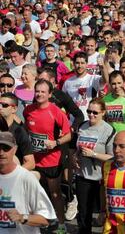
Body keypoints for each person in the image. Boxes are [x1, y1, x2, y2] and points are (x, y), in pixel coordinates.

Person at [23, 79, 72, 232]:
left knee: (55, 193)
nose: (39, 94)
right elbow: (27, 128)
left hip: (52, 160)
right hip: (34, 160)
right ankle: (38, 222)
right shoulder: (28, 110)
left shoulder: (56, 112)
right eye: (37, 91)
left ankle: (62, 224)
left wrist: (56, 142)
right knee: (33, 192)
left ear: (50, 94)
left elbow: (68, 135)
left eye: (43, 92)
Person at [0, 131, 57, 234]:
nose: (1, 152)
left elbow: (46, 218)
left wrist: (22, 218)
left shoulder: (26, 178)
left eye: (6, 148)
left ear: (15, 149)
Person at [74, 99, 115, 234]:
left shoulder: (108, 130)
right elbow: (77, 149)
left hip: (100, 178)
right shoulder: (82, 126)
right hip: (82, 175)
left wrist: (94, 154)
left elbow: (112, 157)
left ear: (103, 113)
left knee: (105, 213)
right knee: (84, 211)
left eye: (95, 112)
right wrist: (75, 157)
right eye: (89, 111)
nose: (91, 115)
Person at [0, 93, 34, 170]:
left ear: (14, 109)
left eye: (4, 105)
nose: (0, 107)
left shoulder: (19, 131)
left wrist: (13, 174)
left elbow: (31, 163)